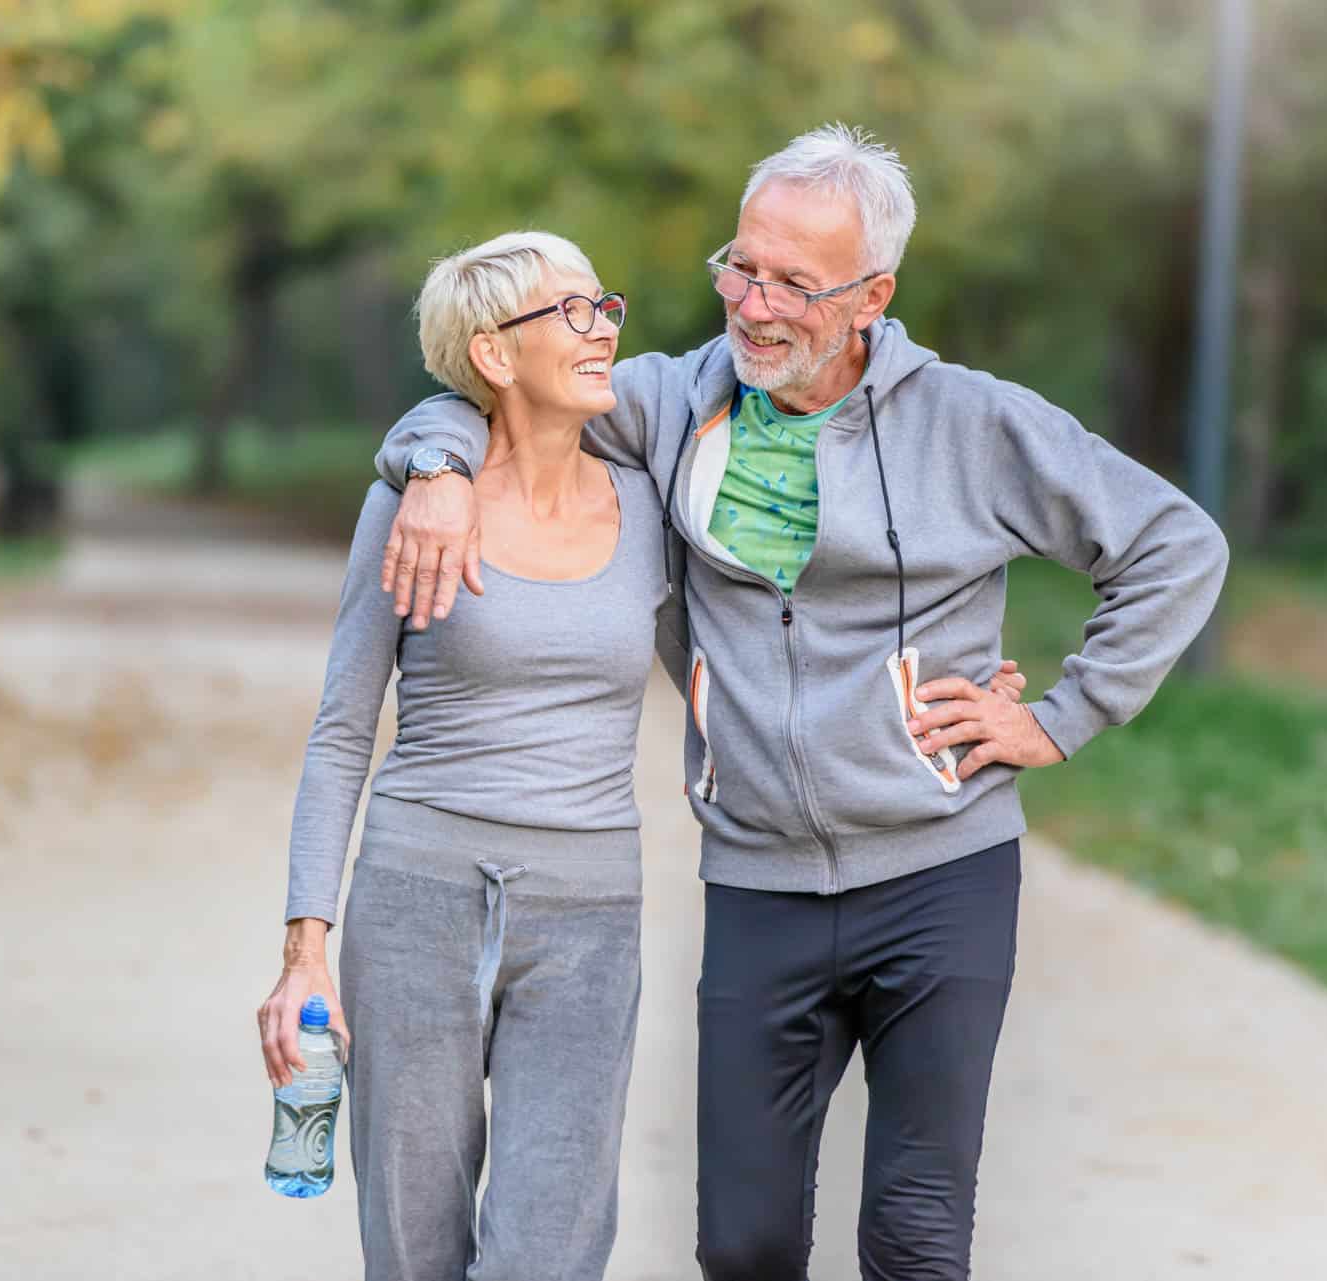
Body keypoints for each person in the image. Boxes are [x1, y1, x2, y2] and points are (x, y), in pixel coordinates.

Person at [372, 124, 1231, 1280]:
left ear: (872, 296)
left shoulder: (971, 424)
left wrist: (1060, 718)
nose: (755, 305)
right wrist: (434, 470)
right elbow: (491, 392)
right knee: (745, 1244)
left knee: (917, 1235)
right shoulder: (667, 402)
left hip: (941, 872)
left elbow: (1175, 544)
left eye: (794, 283)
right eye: (742, 267)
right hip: (760, 878)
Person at [256, 229, 1027, 1280]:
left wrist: (942, 688)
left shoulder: (649, 504)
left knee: (550, 1252)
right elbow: (344, 726)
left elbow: (767, 650)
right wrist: (305, 949)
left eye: (604, 306)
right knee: (414, 1247)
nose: (604, 331)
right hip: (415, 902)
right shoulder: (413, 507)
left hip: (588, 915)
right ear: (493, 354)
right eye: (571, 312)